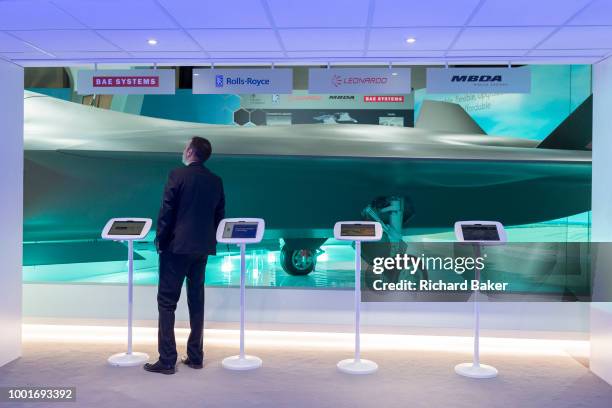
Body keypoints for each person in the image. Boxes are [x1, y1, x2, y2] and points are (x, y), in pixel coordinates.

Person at [144, 136, 225, 375]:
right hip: (202, 249)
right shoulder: (215, 180)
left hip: (176, 248)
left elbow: (166, 211)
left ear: (190, 152)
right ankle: (196, 356)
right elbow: (220, 215)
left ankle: (167, 360)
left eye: (185, 147)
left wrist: (160, 240)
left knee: (167, 302)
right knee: (196, 300)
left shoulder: (177, 175)